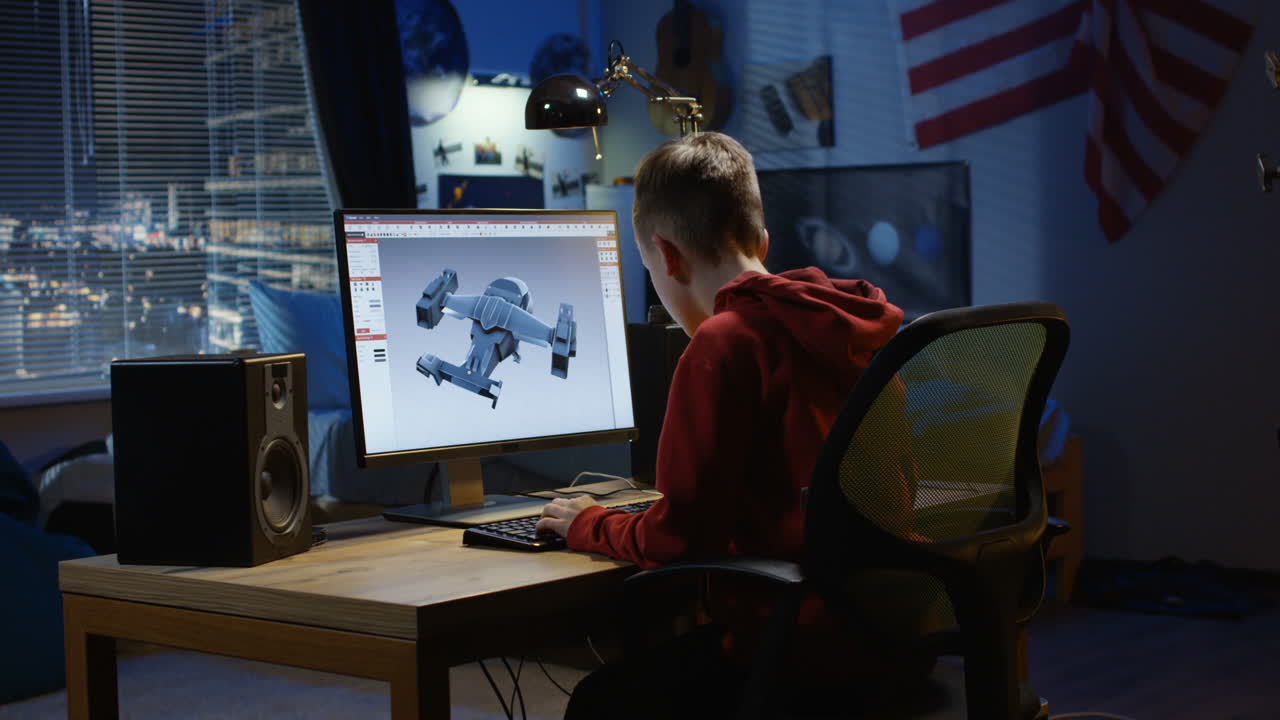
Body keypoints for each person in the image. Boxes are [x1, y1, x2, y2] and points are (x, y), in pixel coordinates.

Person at [536, 132, 916, 718]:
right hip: (893, 641)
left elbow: (676, 541)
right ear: (762, 242)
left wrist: (590, 523)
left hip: (794, 653)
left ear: (666, 257)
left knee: (598, 703)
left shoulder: (723, 342)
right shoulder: (852, 329)